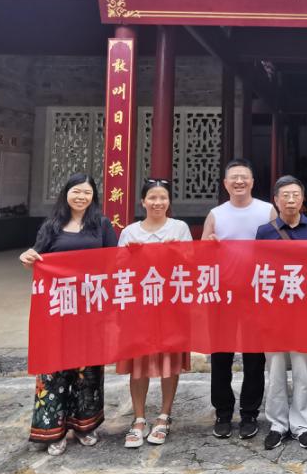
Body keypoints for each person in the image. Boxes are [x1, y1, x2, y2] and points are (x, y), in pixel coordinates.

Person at [20, 173, 116, 456]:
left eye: (87, 192)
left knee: (88, 370)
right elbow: (35, 257)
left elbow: (115, 261)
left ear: (93, 197)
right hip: (58, 309)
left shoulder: (101, 225)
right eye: (76, 191)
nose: (81, 197)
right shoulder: (51, 225)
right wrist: (27, 258)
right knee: (54, 368)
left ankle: (85, 426)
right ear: (66, 193)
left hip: (90, 309)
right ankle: (54, 430)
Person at [116, 178, 193, 449]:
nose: (157, 202)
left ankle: (164, 415)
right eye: (152, 197)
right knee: (139, 362)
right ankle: (139, 418)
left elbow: (192, 263)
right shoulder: (130, 232)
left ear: (169, 201)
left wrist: (177, 252)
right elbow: (118, 269)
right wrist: (131, 256)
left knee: (169, 360)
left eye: (162, 198)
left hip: (171, 305)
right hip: (139, 306)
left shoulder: (180, 228)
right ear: (143, 202)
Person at [202, 158, 276, 440]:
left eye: (244, 177)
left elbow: (278, 251)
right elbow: (203, 254)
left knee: (254, 357)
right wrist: (208, 246)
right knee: (221, 355)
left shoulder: (267, 210)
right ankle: (223, 412)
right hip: (223, 295)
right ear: (225, 183)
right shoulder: (216, 214)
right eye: (234, 177)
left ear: (252, 182)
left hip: (256, 294)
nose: (239, 182)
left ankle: (249, 413)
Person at [255, 175, 307, 451]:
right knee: (275, 371)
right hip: (274, 312)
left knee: (303, 371)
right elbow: (258, 271)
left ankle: (302, 425)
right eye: (285, 195)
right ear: (276, 200)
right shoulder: (264, 232)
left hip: (305, 312)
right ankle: (277, 424)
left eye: (296, 195)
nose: (291, 200)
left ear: (303, 199)